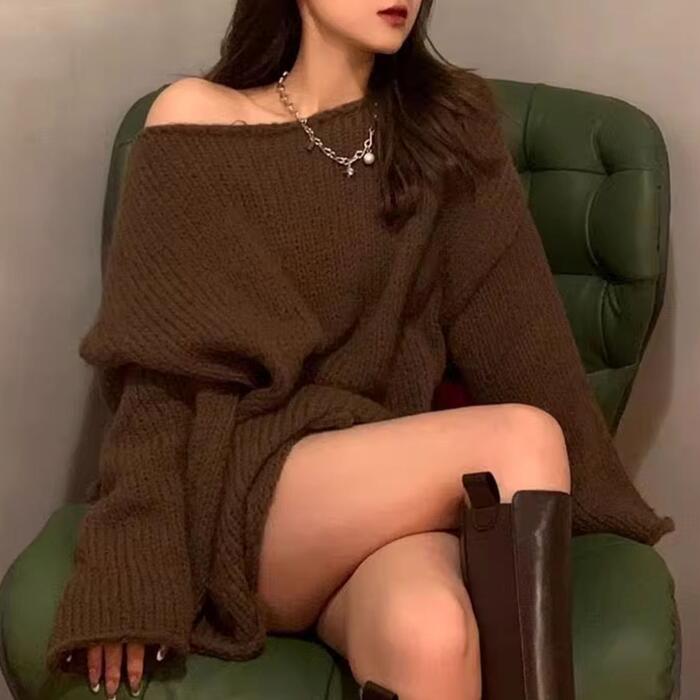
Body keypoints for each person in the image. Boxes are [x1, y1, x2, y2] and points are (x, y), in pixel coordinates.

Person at [45, 1, 673, 699]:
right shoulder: (198, 115)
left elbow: (523, 338)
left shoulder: (447, 130)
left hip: (389, 501)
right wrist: (128, 566)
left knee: (431, 635)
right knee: (522, 439)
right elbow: (158, 377)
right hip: (244, 488)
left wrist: (604, 507)